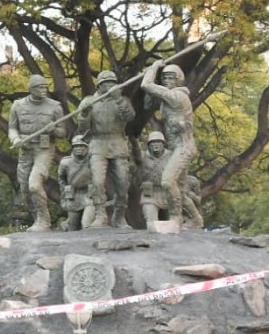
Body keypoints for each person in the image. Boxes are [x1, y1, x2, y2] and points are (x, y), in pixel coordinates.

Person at [140, 61, 198, 230]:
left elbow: (146, 85)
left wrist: (153, 68)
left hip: (183, 147)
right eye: (164, 77)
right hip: (174, 148)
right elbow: (147, 104)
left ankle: (176, 217)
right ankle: (196, 219)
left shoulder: (177, 97)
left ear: (179, 79)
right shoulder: (167, 100)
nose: (166, 80)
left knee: (167, 182)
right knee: (178, 187)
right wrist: (150, 87)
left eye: (170, 77)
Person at [75, 70, 135, 229]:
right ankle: (100, 215)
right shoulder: (89, 101)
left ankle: (119, 216)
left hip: (117, 143)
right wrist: (84, 113)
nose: (109, 86)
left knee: (122, 183)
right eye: (106, 83)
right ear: (99, 86)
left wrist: (118, 100)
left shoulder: (123, 100)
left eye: (112, 83)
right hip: (98, 144)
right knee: (97, 182)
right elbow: (81, 130)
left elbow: (130, 117)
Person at [7, 73, 67, 232]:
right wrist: (15, 139)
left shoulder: (55, 106)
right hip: (25, 150)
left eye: (45, 87)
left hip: (44, 149)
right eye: (40, 87)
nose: (44, 90)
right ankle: (37, 220)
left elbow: (63, 133)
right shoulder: (17, 105)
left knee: (34, 185)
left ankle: (44, 221)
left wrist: (54, 129)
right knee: (25, 189)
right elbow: (12, 128)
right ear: (31, 89)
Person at [57, 135, 94, 231]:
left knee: (86, 224)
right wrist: (65, 192)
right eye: (76, 146)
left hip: (89, 195)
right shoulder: (65, 163)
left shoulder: (93, 161)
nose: (79, 149)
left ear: (87, 148)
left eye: (82, 146)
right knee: (72, 227)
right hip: (74, 196)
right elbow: (61, 178)